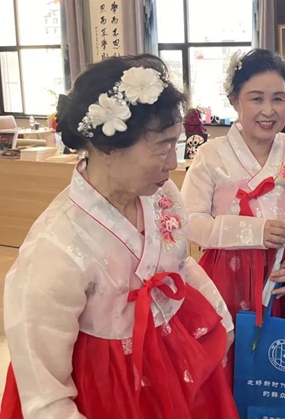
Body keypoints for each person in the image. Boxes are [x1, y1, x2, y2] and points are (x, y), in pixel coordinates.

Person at [0, 54, 238, 418]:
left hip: (172, 357)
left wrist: (221, 317)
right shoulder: (56, 248)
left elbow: (179, 263)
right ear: (107, 146)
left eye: (175, 144)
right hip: (106, 387)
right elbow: (45, 395)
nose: (173, 164)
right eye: (161, 147)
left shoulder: (162, 195)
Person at [180, 49, 285, 383]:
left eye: (278, 99)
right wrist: (253, 232)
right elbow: (191, 222)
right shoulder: (211, 156)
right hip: (229, 277)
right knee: (235, 371)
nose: (269, 110)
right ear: (234, 99)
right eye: (256, 98)